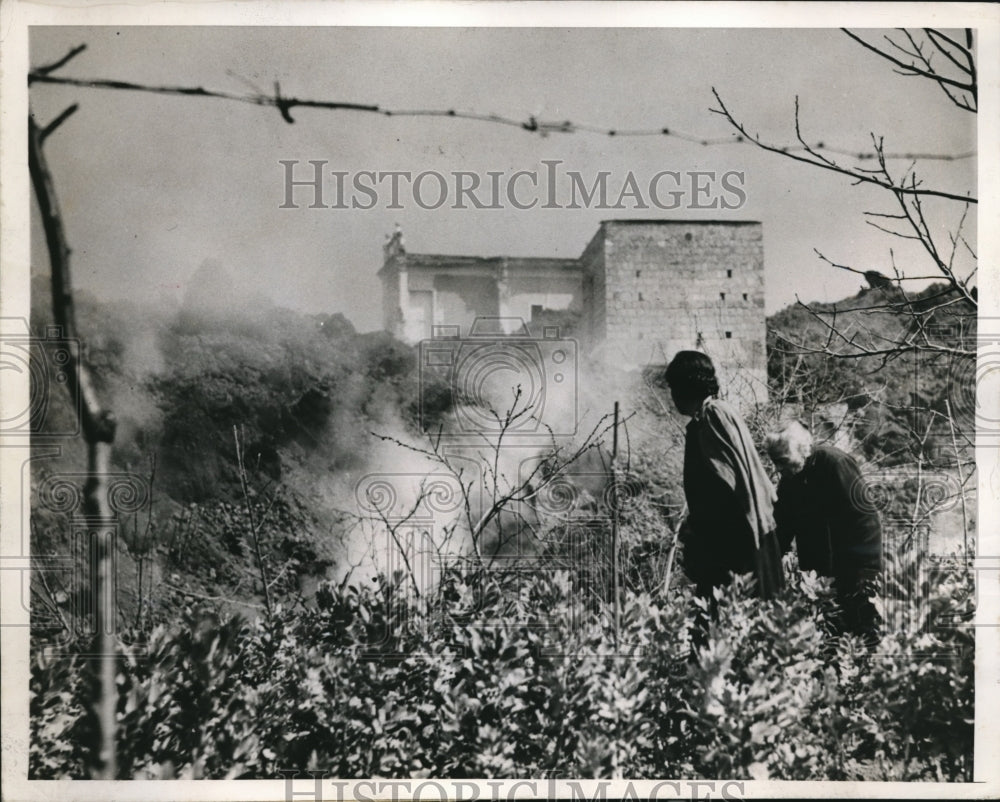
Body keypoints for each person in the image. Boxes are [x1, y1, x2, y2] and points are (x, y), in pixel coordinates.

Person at [664, 351, 784, 603]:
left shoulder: (712, 418)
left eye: (674, 388)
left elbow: (724, 487)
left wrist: (699, 534)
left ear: (686, 388)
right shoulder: (719, 413)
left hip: (738, 545)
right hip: (747, 538)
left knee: (729, 629)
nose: (672, 397)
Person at [764, 420, 883, 646]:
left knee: (861, 639)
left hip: (853, 573)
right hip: (819, 580)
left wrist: (865, 575)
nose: (778, 469)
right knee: (829, 642)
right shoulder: (790, 480)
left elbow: (866, 521)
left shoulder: (835, 464)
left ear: (803, 449)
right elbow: (781, 529)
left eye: (782, 461)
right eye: (775, 463)